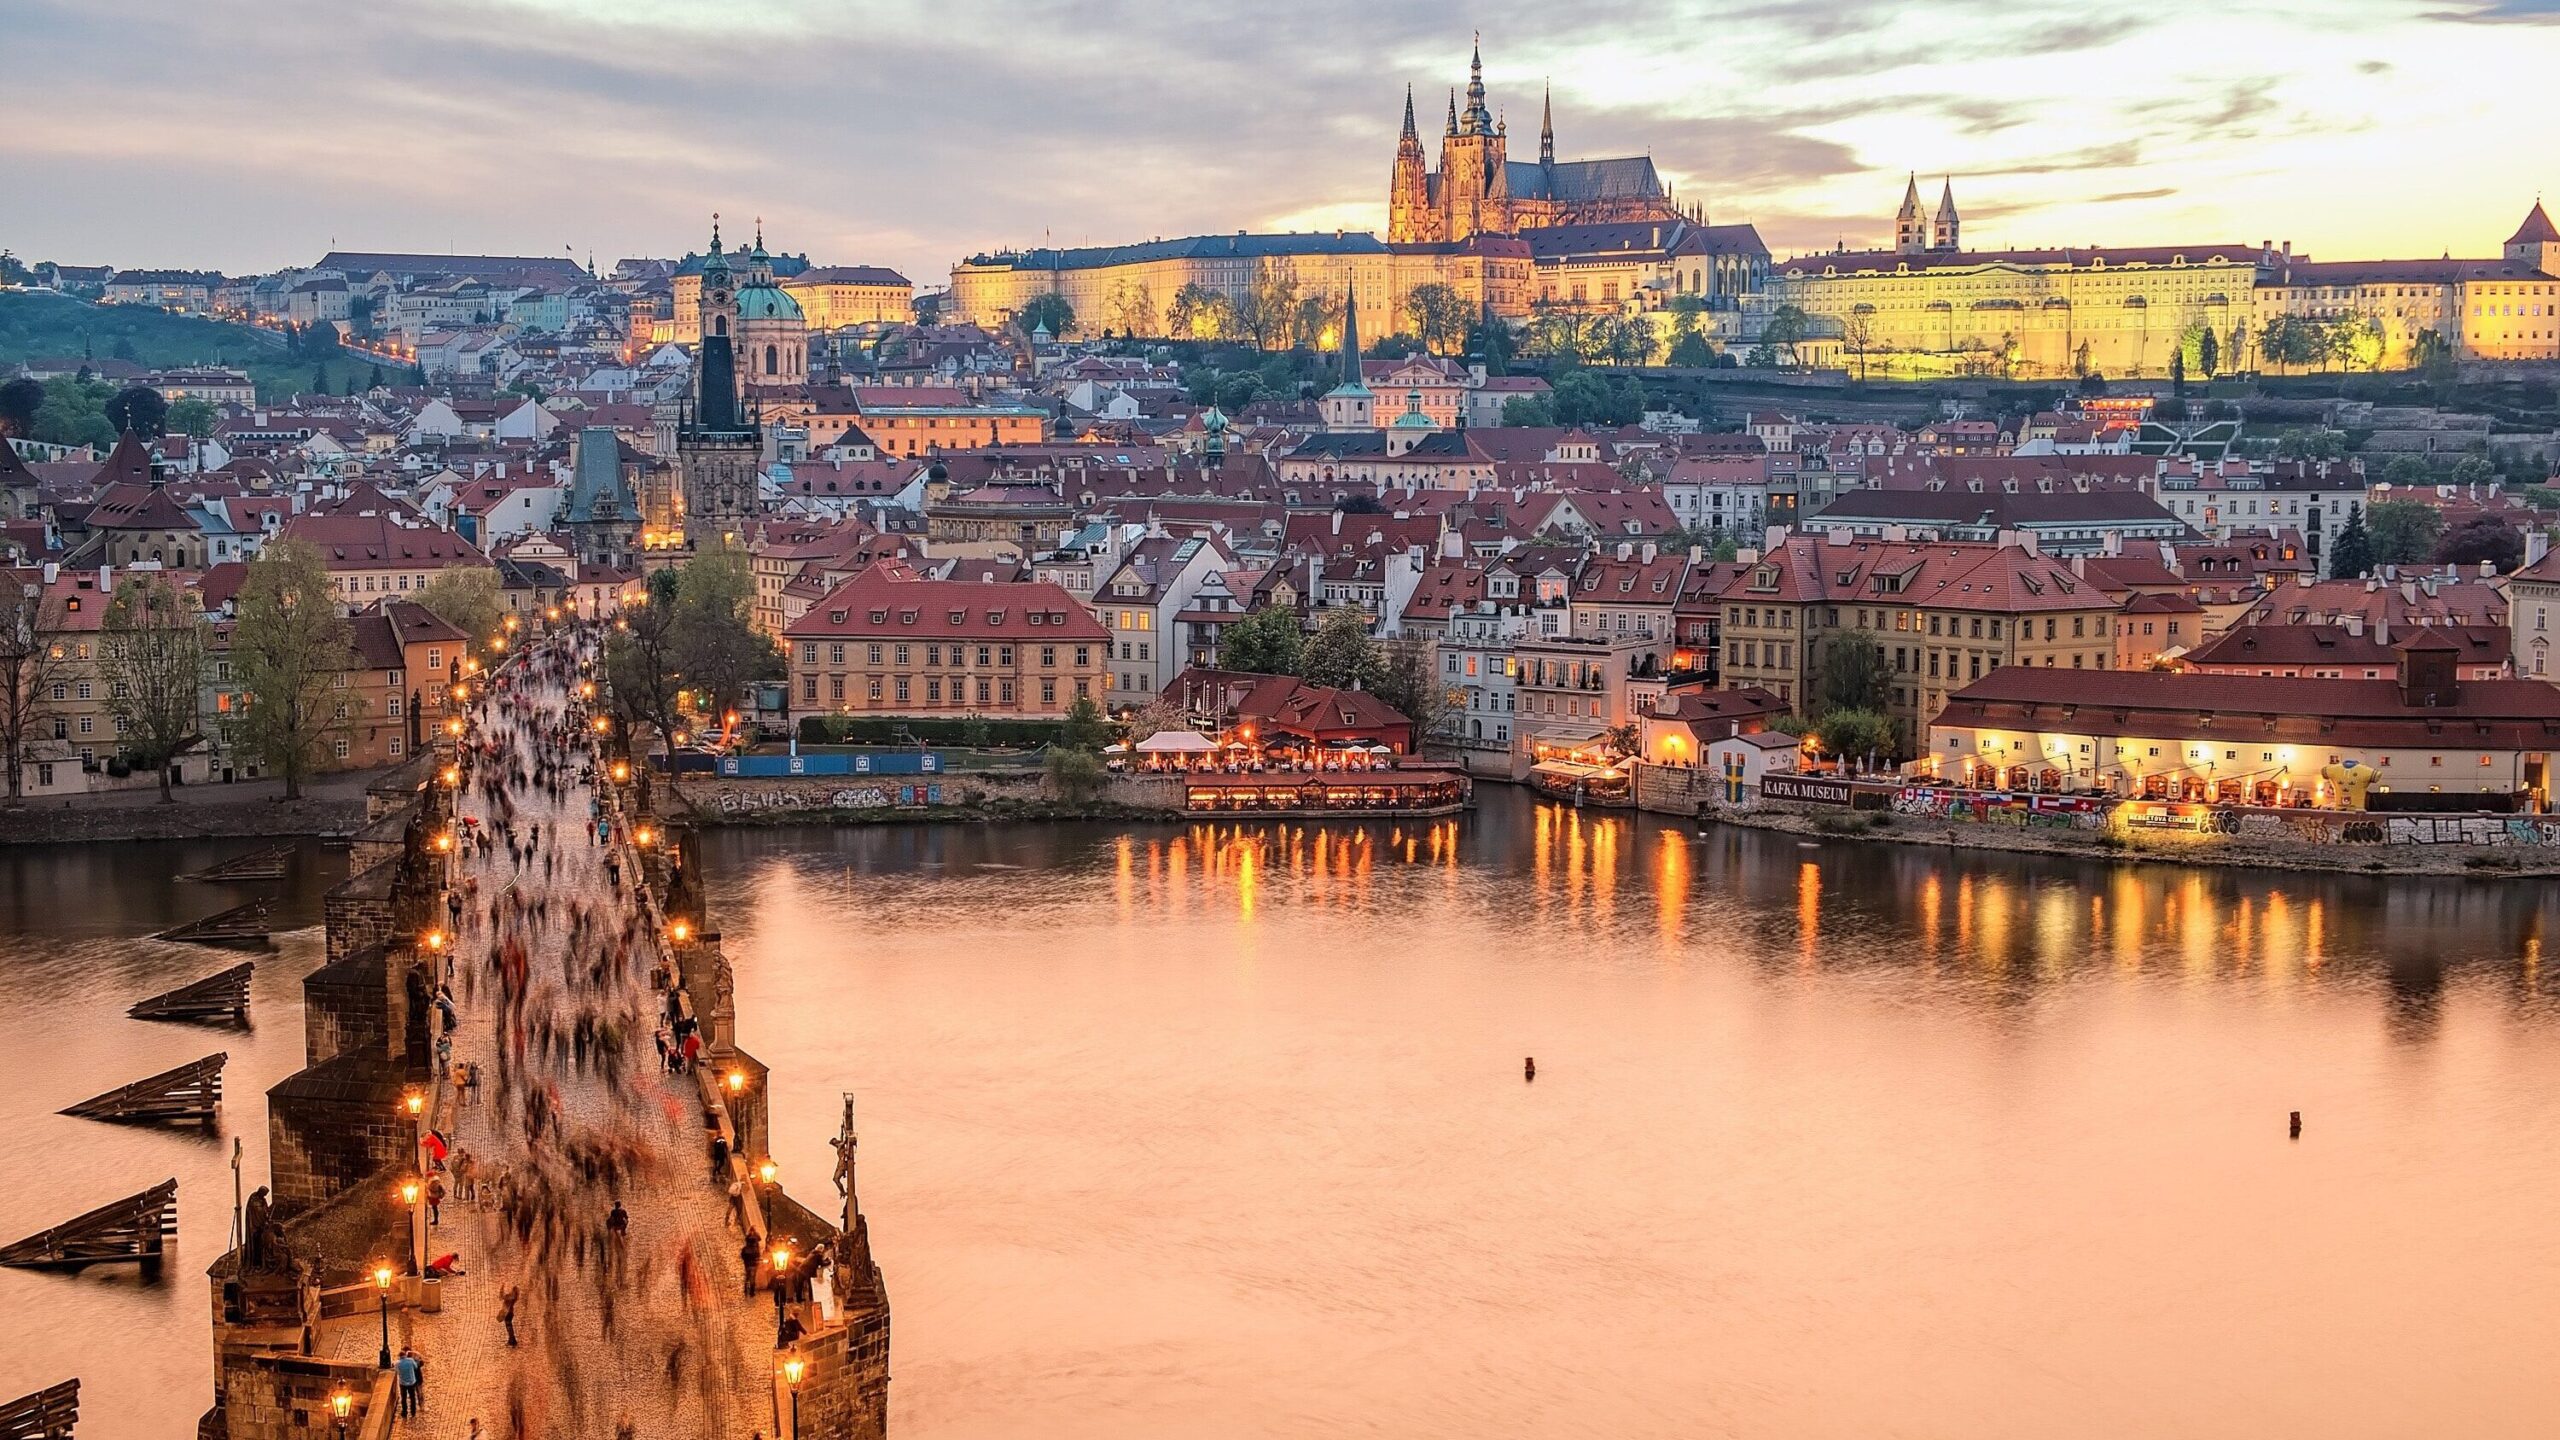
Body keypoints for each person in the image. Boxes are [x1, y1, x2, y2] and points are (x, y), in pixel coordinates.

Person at [395, 1345, 423, 1417]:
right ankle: (413, 1412)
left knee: (403, 1398)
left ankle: (404, 1412)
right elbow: (416, 1366)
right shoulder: (411, 1360)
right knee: (412, 1397)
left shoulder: (398, 1363)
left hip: (403, 1383)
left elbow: (397, 1371)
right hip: (412, 1382)